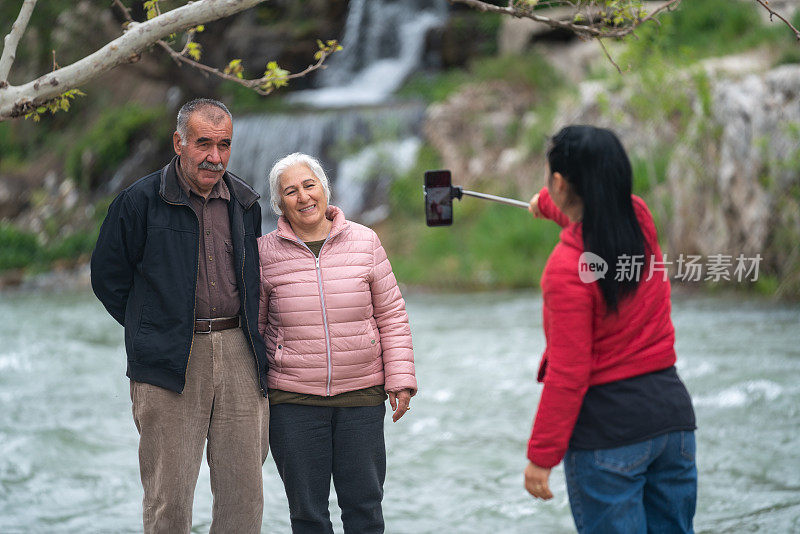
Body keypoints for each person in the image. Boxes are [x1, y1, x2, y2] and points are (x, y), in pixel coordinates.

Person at [91, 98, 269, 533]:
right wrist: (153, 327)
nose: (215, 157)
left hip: (240, 355)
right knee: (168, 503)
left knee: (244, 501)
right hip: (169, 361)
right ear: (178, 142)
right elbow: (107, 279)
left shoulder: (245, 202)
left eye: (224, 145)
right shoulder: (137, 203)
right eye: (203, 144)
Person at [524, 125, 697, 533]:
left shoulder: (566, 270)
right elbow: (597, 203)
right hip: (672, 423)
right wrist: (547, 204)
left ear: (562, 183)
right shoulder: (639, 217)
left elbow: (569, 374)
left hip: (608, 436)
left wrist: (541, 456)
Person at [257, 152, 417, 534]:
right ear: (280, 205)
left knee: (364, 509)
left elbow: (392, 315)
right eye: (290, 192)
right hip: (293, 402)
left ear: (325, 191)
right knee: (308, 515)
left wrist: (400, 379)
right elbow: (257, 327)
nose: (303, 197)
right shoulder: (264, 253)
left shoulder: (365, 241)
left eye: (309, 185)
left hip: (360, 397)